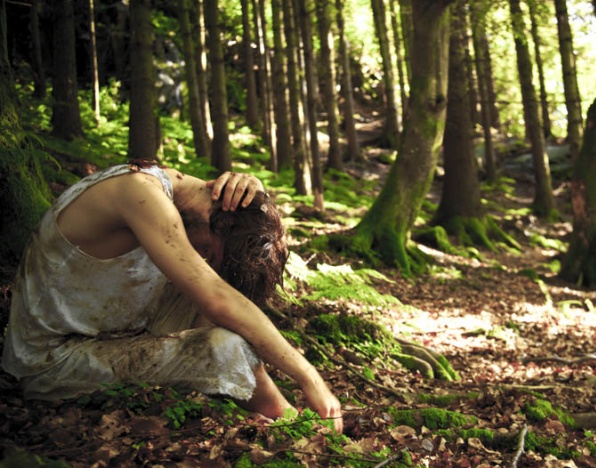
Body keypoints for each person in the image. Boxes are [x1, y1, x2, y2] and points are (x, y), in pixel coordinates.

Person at [1, 161, 343, 432]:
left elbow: (224, 279)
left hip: (116, 334)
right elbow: (218, 299)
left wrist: (256, 199)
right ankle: (293, 424)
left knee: (228, 290)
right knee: (224, 345)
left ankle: (274, 409)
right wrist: (308, 376)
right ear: (218, 220)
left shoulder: (178, 194)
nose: (203, 256)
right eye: (208, 249)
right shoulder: (139, 193)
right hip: (53, 364)